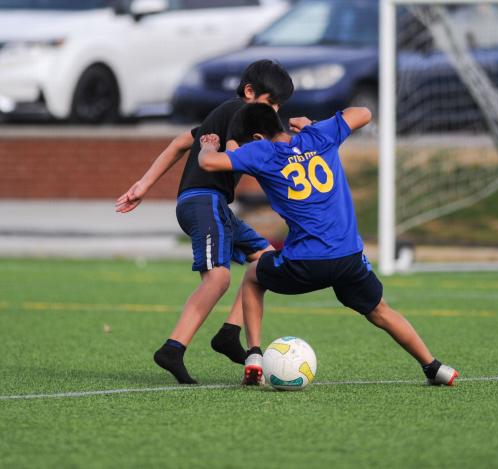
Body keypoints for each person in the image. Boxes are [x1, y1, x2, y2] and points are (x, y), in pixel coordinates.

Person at [197, 104, 458, 386]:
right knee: (380, 310)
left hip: (307, 262)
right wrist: (312, 123)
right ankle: (434, 367)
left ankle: (254, 356)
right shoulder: (319, 135)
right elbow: (364, 113)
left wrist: (208, 146)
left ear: (258, 138)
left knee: (253, 275)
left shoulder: (262, 152)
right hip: (349, 258)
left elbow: (210, 163)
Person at [115, 60, 294, 384]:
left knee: (267, 261)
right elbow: (236, 152)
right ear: (250, 93)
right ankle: (173, 348)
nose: (275, 111)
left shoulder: (228, 114)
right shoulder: (236, 111)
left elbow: (181, 142)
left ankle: (228, 333)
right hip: (202, 200)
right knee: (218, 279)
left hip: (216, 206)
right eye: (272, 103)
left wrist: (144, 185)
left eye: (280, 106)